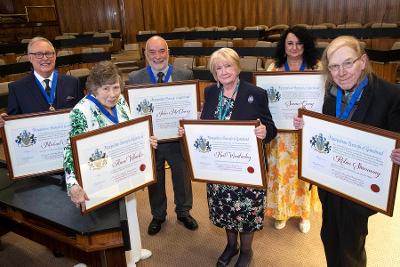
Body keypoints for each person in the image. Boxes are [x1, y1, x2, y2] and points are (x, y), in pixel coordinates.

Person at [293, 36, 400, 266]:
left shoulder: (390, 95)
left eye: (348, 63)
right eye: (333, 66)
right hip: (330, 185)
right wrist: (307, 127)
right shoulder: (330, 92)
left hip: (358, 191)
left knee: (351, 247)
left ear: (363, 61)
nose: (340, 72)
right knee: (329, 238)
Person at [63, 61, 157, 263]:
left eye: (115, 87)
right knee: (105, 223)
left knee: (129, 211)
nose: (112, 93)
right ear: (94, 89)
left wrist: (144, 140)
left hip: (124, 169)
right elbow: (70, 150)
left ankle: (133, 252)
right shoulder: (81, 111)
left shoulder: (120, 100)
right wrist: (72, 183)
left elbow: (130, 128)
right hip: (98, 175)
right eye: (106, 88)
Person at [200, 48, 277, 267]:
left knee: (245, 209)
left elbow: (271, 127)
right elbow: (205, 125)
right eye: (218, 68)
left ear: (237, 67)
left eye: (228, 66)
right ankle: (230, 245)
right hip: (219, 166)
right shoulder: (210, 93)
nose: (224, 71)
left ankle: (246, 251)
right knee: (225, 207)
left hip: (246, 167)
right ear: (214, 73)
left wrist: (265, 131)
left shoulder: (256, 93)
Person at [128, 36, 198, 235]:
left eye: (161, 51)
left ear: (168, 52)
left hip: (177, 137)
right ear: (145, 54)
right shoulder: (135, 78)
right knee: (155, 178)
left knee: (182, 176)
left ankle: (184, 212)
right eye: (152, 51)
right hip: (152, 141)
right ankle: (158, 215)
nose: (157, 56)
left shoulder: (185, 74)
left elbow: (190, 107)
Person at [265, 26, 321, 233]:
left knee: (303, 176)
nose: (294, 47)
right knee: (280, 174)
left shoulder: (316, 69)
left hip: (305, 135)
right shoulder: (273, 69)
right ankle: (282, 212)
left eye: (299, 43)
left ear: (305, 45)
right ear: (284, 46)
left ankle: (304, 214)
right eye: (290, 43)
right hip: (280, 136)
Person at [7, 36, 83, 115]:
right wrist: (5, 120)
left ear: (54, 56)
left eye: (48, 53)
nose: (45, 58)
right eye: (39, 54)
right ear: (30, 58)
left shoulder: (73, 82)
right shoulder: (17, 89)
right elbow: (14, 121)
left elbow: (83, 112)